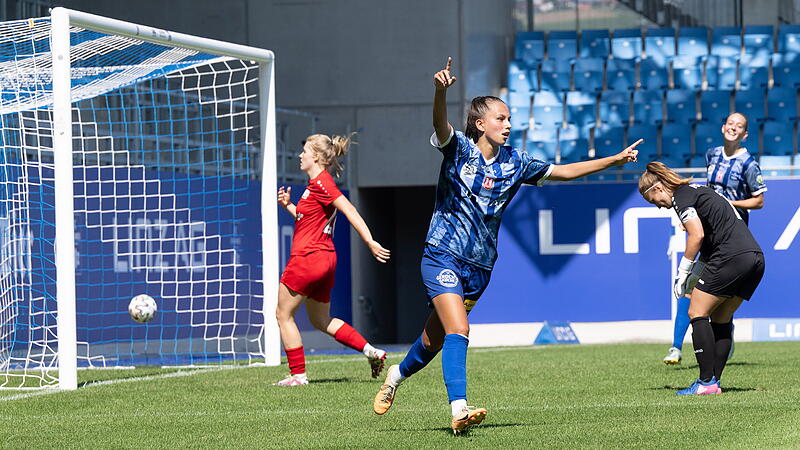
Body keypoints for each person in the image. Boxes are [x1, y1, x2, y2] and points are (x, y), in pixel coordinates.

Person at [372, 57, 641, 433]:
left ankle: (395, 378)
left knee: (433, 340)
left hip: (480, 267)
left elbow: (562, 172)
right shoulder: (459, 150)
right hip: (442, 254)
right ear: (480, 123)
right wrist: (439, 93)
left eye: (510, 118)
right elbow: (440, 125)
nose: (509, 124)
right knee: (459, 330)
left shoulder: (517, 162)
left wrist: (613, 160)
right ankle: (459, 409)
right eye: (501, 118)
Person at [274, 133, 391, 386]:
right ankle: (371, 351)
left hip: (308, 258)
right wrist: (289, 207)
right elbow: (308, 220)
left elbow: (349, 209)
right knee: (320, 320)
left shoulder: (322, 183)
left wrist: (370, 241)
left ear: (316, 156)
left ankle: (298, 375)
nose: (300, 155)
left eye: (305, 151)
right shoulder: (314, 186)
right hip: (324, 259)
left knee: (283, 315)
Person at [640, 162, 765, 395]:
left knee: (696, 312)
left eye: (653, 202)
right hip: (755, 258)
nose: (658, 207)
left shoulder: (681, 196)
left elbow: (696, 235)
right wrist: (695, 273)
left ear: (657, 189)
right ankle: (713, 382)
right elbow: (711, 240)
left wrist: (683, 271)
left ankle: (706, 382)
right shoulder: (702, 191)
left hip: (731, 256)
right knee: (721, 317)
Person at [662, 112, 766, 365]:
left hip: (731, 235)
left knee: (718, 300)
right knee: (688, 289)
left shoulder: (749, 164)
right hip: (707, 231)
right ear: (723, 127)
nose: (733, 128)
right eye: (730, 123)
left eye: (739, 126)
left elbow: (759, 201)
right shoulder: (712, 154)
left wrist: (727, 203)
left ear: (745, 134)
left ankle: (720, 337)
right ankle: (676, 347)